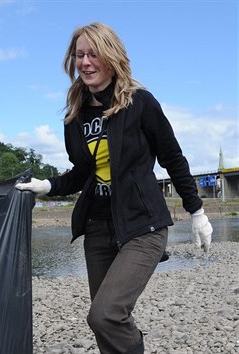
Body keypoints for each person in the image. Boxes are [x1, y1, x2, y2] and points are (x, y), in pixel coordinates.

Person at [16, 22, 213, 353]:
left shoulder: (140, 103)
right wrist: (47, 185)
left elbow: (172, 158)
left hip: (143, 224)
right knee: (107, 322)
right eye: (80, 55)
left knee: (105, 315)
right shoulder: (75, 115)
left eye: (94, 53)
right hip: (98, 226)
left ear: (111, 56)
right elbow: (83, 173)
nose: (86, 62)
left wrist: (197, 210)